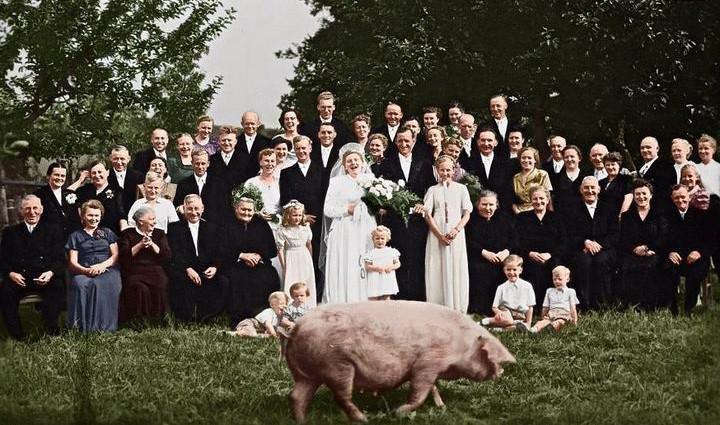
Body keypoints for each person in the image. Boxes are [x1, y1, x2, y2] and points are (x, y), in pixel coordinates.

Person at [376, 127, 435, 301]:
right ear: (395, 142)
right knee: (397, 255)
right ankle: (398, 295)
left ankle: (417, 296)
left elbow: (431, 188)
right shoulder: (387, 163)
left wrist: (424, 205)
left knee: (416, 256)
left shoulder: (424, 163)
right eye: (400, 141)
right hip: (394, 218)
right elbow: (379, 189)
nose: (403, 144)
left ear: (414, 141)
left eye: (407, 141)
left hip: (417, 219)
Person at [0, 195, 65, 340]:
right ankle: (17, 336)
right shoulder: (10, 232)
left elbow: (60, 259)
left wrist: (50, 272)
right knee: (5, 291)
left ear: (41, 210)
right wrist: (11, 274)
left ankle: (51, 331)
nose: (32, 212)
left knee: (58, 286)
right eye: (27, 208)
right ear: (21, 211)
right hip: (20, 278)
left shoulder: (52, 230)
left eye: (35, 208)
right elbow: (3, 260)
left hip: (44, 277)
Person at [322, 148, 377, 304]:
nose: (353, 163)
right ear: (344, 166)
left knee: (364, 259)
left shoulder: (371, 180)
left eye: (356, 160)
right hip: (344, 229)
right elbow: (328, 209)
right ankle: (343, 300)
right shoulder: (337, 182)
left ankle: (365, 299)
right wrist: (347, 210)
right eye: (349, 161)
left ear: (362, 162)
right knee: (346, 262)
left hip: (366, 227)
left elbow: (377, 204)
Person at [279, 135, 326, 302]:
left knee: (315, 259)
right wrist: (301, 216)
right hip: (295, 223)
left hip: (318, 223)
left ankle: (314, 298)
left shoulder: (322, 170)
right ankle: (295, 299)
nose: (301, 151)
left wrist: (315, 217)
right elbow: (285, 199)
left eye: (304, 148)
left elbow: (325, 197)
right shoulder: (286, 173)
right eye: (298, 148)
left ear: (310, 148)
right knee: (298, 262)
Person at [221, 197, 280, 327]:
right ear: (236, 209)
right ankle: (240, 319)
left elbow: (272, 249)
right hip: (234, 263)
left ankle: (263, 316)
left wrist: (259, 256)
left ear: (254, 211)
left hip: (258, 264)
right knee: (239, 279)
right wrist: (241, 255)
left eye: (250, 210)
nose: (246, 213)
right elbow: (221, 248)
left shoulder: (261, 224)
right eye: (243, 209)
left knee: (269, 275)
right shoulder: (226, 223)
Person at [166, 195, 226, 323]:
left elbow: (219, 251)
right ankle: (186, 318)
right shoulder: (174, 228)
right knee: (180, 281)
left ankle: (208, 317)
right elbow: (175, 252)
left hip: (207, 268)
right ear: (184, 209)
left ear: (202, 209)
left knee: (223, 282)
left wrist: (215, 267)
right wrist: (187, 268)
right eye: (190, 209)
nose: (194, 213)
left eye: (196, 208)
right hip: (184, 267)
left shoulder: (213, 228)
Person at [423, 155, 472, 313]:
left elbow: (467, 213)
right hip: (437, 232)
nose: (445, 173)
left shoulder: (461, 189)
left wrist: (456, 229)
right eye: (442, 170)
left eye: (448, 170)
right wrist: (440, 236)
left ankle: (457, 306)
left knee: (456, 266)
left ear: (454, 170)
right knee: (437, 266)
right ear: (437, 170)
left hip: (456, 232)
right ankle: (438, 306)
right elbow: (427, 214)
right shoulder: (432, 190)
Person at [66, 200, 122, 333]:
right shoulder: (75, 236)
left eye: (97, 215)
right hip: (84, 270)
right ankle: (80, 327)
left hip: (108, 269)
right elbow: (72, 261)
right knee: (79, 283)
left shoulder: (107, 233)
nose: (94, 218)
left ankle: (104, 327)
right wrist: (85, 270)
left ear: (101, 216)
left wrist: (102, 266)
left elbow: (116, 256)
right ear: (83, 216)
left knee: (101, 283)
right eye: (90, 215)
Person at [564, 176, 618, 309]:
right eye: (586, 188)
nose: (590, 191)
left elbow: (615, 234)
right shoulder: (571, 209)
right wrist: (585, 242)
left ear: (599, 189)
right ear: (581, 190)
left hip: (604, 248)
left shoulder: (609, 208)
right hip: (580, 248)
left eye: (593, 187)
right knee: (584, 262)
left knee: (601, 261)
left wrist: (598, 244)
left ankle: (603, 303)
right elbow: (568, 233)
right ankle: (584, 304)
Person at [661, 185, 712, 315]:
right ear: (672, 199)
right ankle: (672, 308)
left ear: (689, 197)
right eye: (676, 198)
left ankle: (689, 308)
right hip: (675, 257)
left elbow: (711, 240)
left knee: (694, 275)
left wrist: (699, 252)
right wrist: (669, 252)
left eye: (683, 197)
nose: (680, 200)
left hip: (697, 257)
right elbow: (662, 239)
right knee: (667, 270)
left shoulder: (702, 215)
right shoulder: (666, 216)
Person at [618, 179, 667, 310]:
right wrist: (634, 249)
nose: (641, 197)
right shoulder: (627, 216)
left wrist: (646, 248)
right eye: (638, 194)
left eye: (644, 193)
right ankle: (632, 305)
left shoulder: (659, 214)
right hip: (632, 252)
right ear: (634, 197)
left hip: (654, 251)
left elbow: (663, 236)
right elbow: (623, 238)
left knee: (650, 266)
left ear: (650, 195)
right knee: (629, 266)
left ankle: (650, 305)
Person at [466, 190, 516, 316]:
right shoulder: (471, 220)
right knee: (480, 270)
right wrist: (484, 252)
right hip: (479, 257)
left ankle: (506, 307)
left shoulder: (505, 218)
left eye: (491, 205)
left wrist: (506, 252)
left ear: (496, 205)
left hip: (502, 257)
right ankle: (481, 308)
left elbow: (515, 239)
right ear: (478, 205)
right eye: (484, 204)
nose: (488, 208)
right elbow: (468, 241)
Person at [118, 207, 171, 321]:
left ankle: (159, 319)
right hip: (135, 270)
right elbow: (123, 256)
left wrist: (152, 244)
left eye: (154, 219)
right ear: (141, 221)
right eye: (151, 219)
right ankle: (140, 320)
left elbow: (166, 256)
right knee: (139, 288)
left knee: (161, 284)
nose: (155, 222)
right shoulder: (127, 233)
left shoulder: (159, 233)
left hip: (155, 269)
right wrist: (140, 245)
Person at [515, 186, 565, 306]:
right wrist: (529, 253)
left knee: (554, 269)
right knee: (533, 270)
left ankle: (553, 305)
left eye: (542, 198)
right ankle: (534, 306)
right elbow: (517, 241)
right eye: (535, 198)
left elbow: (563, 241)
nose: (538, 201)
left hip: (552, 256)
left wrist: (550, 254)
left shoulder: (557, 218)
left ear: (547, 200)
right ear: (531, 200)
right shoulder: (522, 218)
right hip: (529, 256)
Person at [173, 148, 230, 225]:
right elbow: (176, 205)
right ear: (192, 163)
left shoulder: (219, 183)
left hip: (213, 226)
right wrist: (179, 208)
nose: (200, 167)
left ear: (208, 164)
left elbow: (224, 208)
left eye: (203, 163)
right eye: (197, 163)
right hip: (189, 225)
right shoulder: (183, 184)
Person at [480, 255, 535, 332]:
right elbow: (494, 307)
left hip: (520, 316)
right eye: (508, 270)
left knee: (517, 327)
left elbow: (530, 307)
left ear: (520, 270)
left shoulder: (527, 286)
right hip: (505, 312)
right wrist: (499, 312)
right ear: (504, 270)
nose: (511, 272)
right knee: (508, 320)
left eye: (514, 269)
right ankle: (486, 321)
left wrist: (528, 323)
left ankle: (497, 329)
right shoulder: (501, 287)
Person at [276, 200, 316, 306]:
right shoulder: (283, 230)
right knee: (291, 281)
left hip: (304, 257)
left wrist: (310, 260)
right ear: (288, 215)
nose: (297, 218)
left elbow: (309, 245)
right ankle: (291, 308)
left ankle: (308, 306)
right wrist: (284, 267)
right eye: (294, 215)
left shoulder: (305, 228)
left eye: (299, 215)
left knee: (305, 281)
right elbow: (280, 249)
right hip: (291, 257)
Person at [467, 127, 514, 215]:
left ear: (495, 142)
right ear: (478, 142)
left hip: (500, 212)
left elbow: (509, 190)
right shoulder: (469, 162)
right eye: (483, 140)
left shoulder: (505, 163)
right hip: (476, 212)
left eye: (489, 140)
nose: (486, 143)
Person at [72, 160, 126, 235]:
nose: (97, 175)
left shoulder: (117, 191)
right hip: (87, 234)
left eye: (100, 172)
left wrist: (124, 233)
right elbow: (66, 195)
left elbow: (121, 215)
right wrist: (80, 180)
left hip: (110, 235)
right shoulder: (83, 191)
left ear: (107, 172)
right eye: (94, 173)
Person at [34, 162, 85, 236]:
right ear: (48, 176)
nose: (60, 178)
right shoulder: (39, 195)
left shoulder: (69, 194)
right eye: (56, 175)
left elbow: (76, 219)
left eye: (63, 176)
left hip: (70, 238)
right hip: (49, 237)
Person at [530, 266, 579, 333]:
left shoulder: (570, 291)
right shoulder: (549, 291)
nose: (557, 281)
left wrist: (574, 321)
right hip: (552, 313)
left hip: (564, 314)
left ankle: (550, 328)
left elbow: (573, 308)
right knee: (543, 322)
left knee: (559, 322)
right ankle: (534, 329)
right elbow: (545, 306)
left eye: (560, 279)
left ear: (567, 279)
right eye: (554, 279)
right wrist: (543, 317)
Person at [361, 225, 401, 301]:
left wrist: (391, 267)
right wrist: (376, 268)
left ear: (387, 239)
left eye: (382, 238)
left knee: (386, 297)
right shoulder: (371, 253)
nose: (380, 241)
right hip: (375, 279)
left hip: (386, 278)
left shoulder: (391, 252)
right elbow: (367, 266)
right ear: (373, 239)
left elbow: (398, 263)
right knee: (373, 299)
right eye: (377, 238)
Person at [637, 136, 675, 211]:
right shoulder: (640, 167)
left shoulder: (666, 166)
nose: (645, 150)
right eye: (642, 148)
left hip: (658, 210)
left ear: (657, 149)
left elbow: (664, 192)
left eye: (648, 147)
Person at [245, 148, 281, 225]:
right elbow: (244, 204)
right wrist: (257, 213)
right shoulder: (251, 183)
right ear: (260, 162)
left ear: (276, 163)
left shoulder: (281, 183)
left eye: (272, 161)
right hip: (256, 223)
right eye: (266, 161)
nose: (270, 164)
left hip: (278, 225)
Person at [512, 147, 553, 214]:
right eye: (523, 158)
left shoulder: (542, 174)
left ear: (535, 160)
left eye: (529, 158)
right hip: (519, 212)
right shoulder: (516, 177)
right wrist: (518, 213)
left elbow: (548, 198)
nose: (526, 160)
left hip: (537, 211)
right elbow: (512, 199)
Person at [208, 125, 247, 192]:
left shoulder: (245, 160)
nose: (226, 143)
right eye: (223, 140)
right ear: (218, 141)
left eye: (229, 140)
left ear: (235, 142)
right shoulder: (211, 159)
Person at [238, 111, 273, 181]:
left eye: (252, 123)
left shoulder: (268, 142)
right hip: (238, 182)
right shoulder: (235, 142)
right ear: (242, 124)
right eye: (247, 124)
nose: (250, 126)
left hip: (260, 181)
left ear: (258, 124)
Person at [108, 145, 144, 214]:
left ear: (128, 159)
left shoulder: (139, 177)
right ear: (110, 158)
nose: (119, 162)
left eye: (122, 159)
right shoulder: (105, 176)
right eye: (116, 159)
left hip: (134, 214)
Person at [552, 145, 587, 214]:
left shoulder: (587, 176)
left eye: (572, 156)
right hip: (562, 215)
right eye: (566, 157)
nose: (569, 159)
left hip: (583, 214)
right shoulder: (556, 178)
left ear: (579, 158)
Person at [598, 151, 634, 217]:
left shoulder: (626, 179)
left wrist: (621, 217)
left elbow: (628, 198)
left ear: (619, 165)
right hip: (603, 218)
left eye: (613, 164)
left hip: (619, 217)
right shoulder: (600, 182)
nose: (610, 167)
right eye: (607, 165)